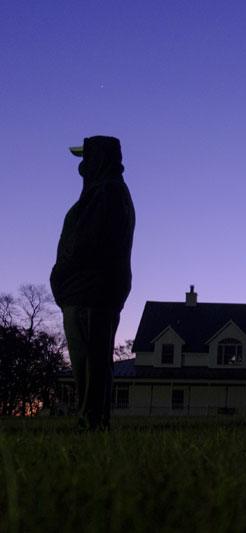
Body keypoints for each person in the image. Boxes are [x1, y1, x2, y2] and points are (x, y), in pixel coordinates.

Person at [50, 136, 136, 431]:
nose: (82, 167)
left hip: (92, 292)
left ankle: (92, 422)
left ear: (100, 159)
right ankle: (91, 420)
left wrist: (60, 274)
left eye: (87, 159)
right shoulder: (100, 193)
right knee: (85, 362)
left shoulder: (109, 193)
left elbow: (87, 243)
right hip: (80, 290)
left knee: (92, 361)